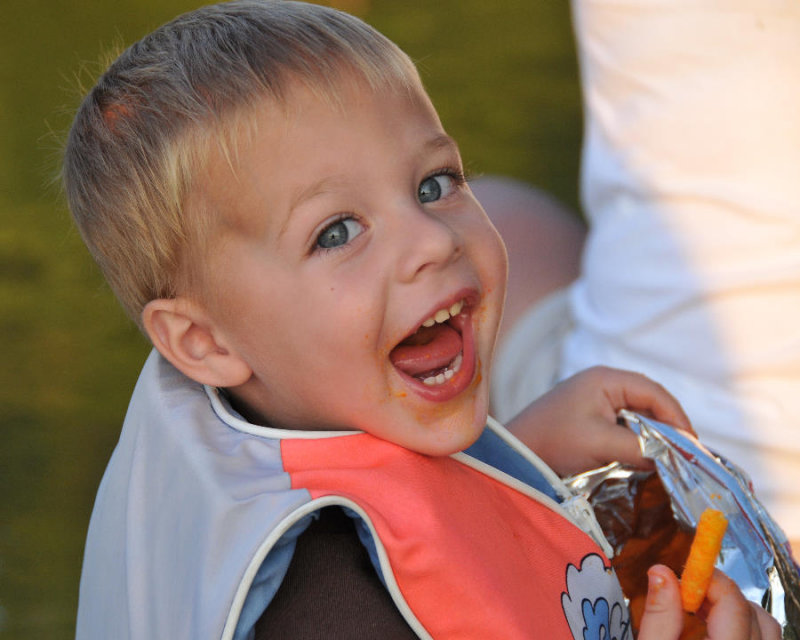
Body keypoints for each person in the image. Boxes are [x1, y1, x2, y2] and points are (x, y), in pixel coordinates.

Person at [62, 2, 777, 638]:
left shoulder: (286, 407)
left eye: (435, 184)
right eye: (337, 232)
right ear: (204, 341)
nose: (433, 240)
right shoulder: (320, 609)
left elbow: (394, 511)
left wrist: (515, 461)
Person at [484, 0, 800, 558]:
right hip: (643, 458)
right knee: (490, 214)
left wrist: (512, 464)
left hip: (643, 501)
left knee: (489, 216)